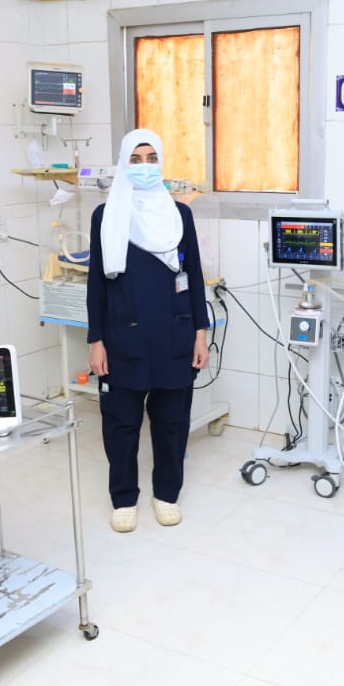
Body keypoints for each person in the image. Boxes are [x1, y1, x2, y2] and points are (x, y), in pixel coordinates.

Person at [86, 129, 210, 533]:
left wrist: (201, 333)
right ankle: (124, 498)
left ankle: (166, 495)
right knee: (120, 424)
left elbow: (194, 276)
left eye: (151, 158)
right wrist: (96, 340)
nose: (144, 167)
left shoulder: (180, 215)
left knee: (172, 423)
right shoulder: (107, 216)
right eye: (135, 160)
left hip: (176, 334)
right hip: (123, 337)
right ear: (124, 165)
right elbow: (96, 283)